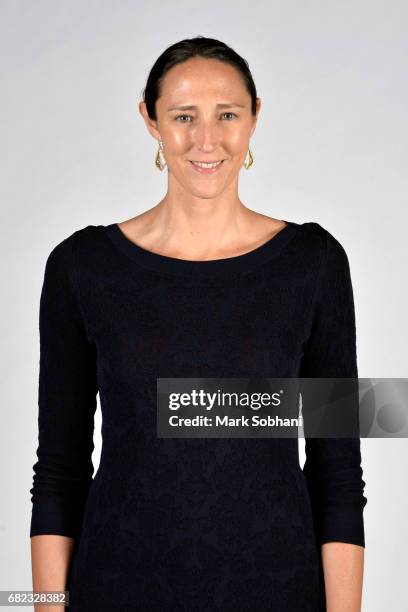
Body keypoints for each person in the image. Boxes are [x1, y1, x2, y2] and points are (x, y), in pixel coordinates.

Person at [30, 36, 367, 611]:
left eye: (227, 115)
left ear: (255, 116)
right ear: (151, 120)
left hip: (277, 594)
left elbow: (337, 473)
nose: (206, 139)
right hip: (116, 591)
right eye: (184, 116)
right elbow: (60, 470)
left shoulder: (312, 264)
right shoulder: (82, 268)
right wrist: (43, 607)